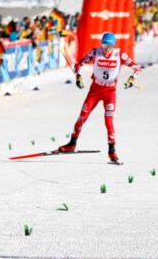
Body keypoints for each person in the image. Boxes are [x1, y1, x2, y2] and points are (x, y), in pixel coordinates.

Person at [58, 32, 141, 164]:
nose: (106, 49)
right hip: (95, 90)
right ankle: (71, 143)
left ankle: (112, 151)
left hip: (110, 92)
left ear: (113, 46)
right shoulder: (95, 52)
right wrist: (78, 77)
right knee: (82, 117)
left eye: (109, 46)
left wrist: (131, 79)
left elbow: (137, 68)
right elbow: (78, 65)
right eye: (104, 45)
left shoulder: (119, 54)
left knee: (109, 122)